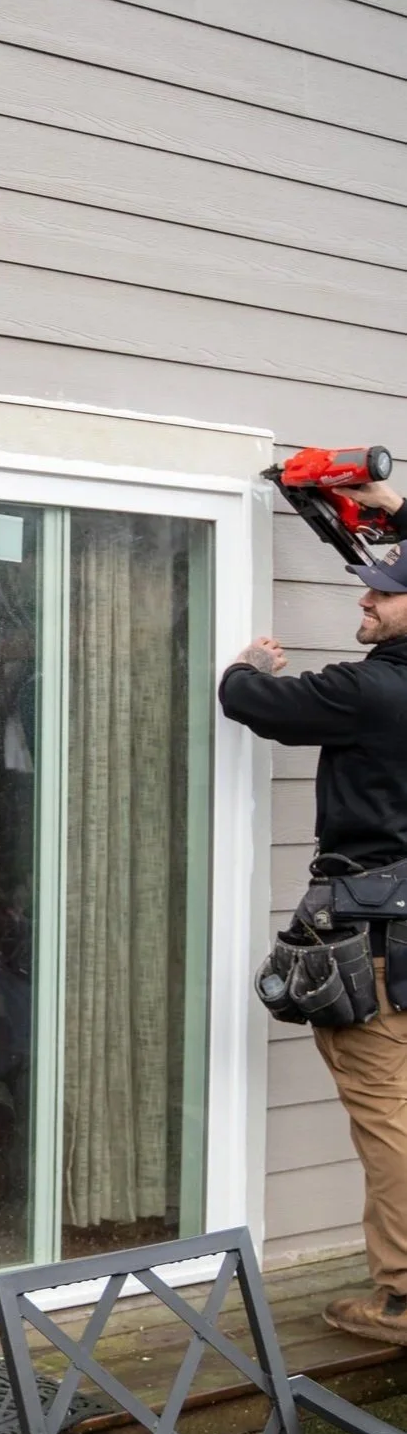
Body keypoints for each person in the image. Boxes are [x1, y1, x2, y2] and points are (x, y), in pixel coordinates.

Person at [219, 474, 407, 1347]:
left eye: (384, 593)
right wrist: (392, 509)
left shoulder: (369, 692)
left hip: (375, 938)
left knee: (387, 1117)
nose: (364, 598)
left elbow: (247, 702)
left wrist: (247, 666)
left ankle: (402, 1299)